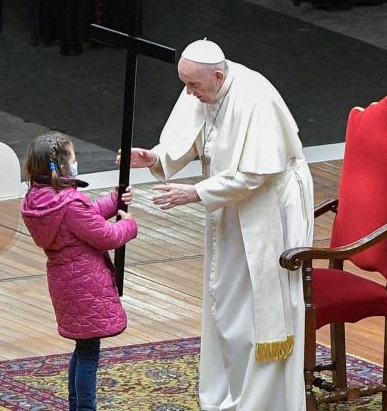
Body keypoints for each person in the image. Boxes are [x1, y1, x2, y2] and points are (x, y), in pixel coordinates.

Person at [119, 40, 314, 410]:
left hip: (268, 208)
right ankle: (229, 393)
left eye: (194, 86)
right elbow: (197, 139)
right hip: (228, 203)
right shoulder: (205, 89)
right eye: (186, 85)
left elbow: (255, 174)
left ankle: (265, 402)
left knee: (257, 305)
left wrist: (195, 193)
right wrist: (155, 157)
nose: (189, 95)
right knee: (225, 298)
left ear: (219, 75)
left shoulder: (254, 98)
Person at [22, 132, 138, 411]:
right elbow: (105, 236)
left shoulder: (39, 201)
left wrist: (114, 200)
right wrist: (129, 225)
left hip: (65, 283)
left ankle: (76, 405)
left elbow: (86, 216)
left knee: (82, 347)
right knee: (88, 354)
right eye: (74, 158)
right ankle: (85, 407)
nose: (77, 162)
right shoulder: (70, 204)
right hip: (85, 283)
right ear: (61, 167)